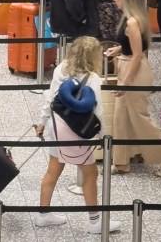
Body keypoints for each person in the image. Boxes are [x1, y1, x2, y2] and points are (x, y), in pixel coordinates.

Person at [33, 35, 120, 234]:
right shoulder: (93, 78)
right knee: (91, 174)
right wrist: (105, 136)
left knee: (53, 171)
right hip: (76, 131)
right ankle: (95, 221)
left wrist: (41, 122)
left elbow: (50, 97)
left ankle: (43, 214)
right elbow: (98, 110)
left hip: (57, 125)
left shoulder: (61, 68)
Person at [104, 0, 161, 177]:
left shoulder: (131, 21)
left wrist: (125, 81)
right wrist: (119, 49)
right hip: (130, 66)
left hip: (134, 72)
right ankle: (122, 161)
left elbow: (138, 55)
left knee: (140, 118)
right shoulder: (134, 17)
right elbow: (135, 47)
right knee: (120, 117)